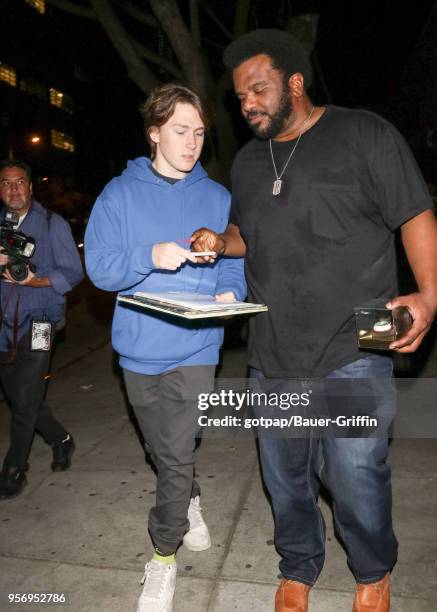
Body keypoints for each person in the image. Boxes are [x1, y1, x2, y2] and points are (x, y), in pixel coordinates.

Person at [191, 30, 437, 612]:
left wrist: (429, 293)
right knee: (286, 477)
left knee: (356, 474)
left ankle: (373, 571)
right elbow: (248, 235)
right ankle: (298, 564)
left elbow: (415, 212)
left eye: (258, 89)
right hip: (272, 348)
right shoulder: (249, 162)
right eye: (240, 96)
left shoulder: (364, 133)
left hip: (360, 336)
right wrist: (217, 242)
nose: (247, 103)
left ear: (295, 82)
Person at [84, 83, 245, 612]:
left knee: (176, 454)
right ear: (154, 132)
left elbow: (235, 260)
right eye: (181, 130)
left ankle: (163, 557)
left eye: (199, 132)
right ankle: (191, 499)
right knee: (162, 451)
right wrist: (149, 253)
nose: (192, 142)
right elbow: (100, 268)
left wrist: (231, 290)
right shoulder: (119, 194)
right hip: (138, 350)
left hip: (198, 346)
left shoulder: (217, 197)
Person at [0, 159, 83, 501]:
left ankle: (14, 467)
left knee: (25, 401)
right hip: (3, 323)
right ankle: (61, 439)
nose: (13, 189)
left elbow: (74, 272)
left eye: (20, 182)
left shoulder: (52, 224)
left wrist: (37, 281)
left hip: (42, 320)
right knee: (21, 397)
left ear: (31, 187)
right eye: (6, 183)